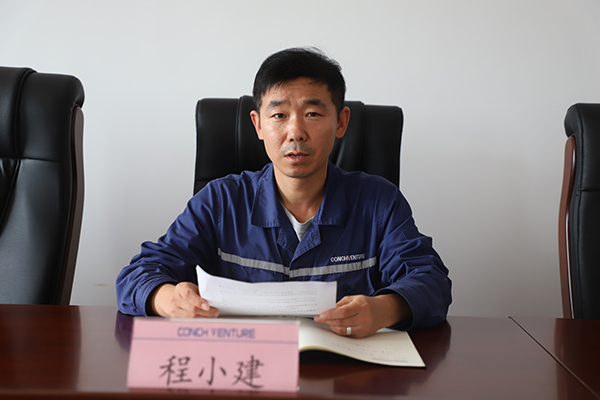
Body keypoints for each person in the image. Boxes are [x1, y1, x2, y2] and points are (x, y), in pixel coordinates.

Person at [116, 47, 451, 338]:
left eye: (312, 114)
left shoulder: (378, 203)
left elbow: (431, 280)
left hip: (344, 374)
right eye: (279, 115)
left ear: (341, 122)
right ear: (258, 124)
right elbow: (137, 275)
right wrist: (167, 299)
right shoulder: (220, 202)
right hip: (246, 370)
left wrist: (383, 309)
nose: (295, 132)